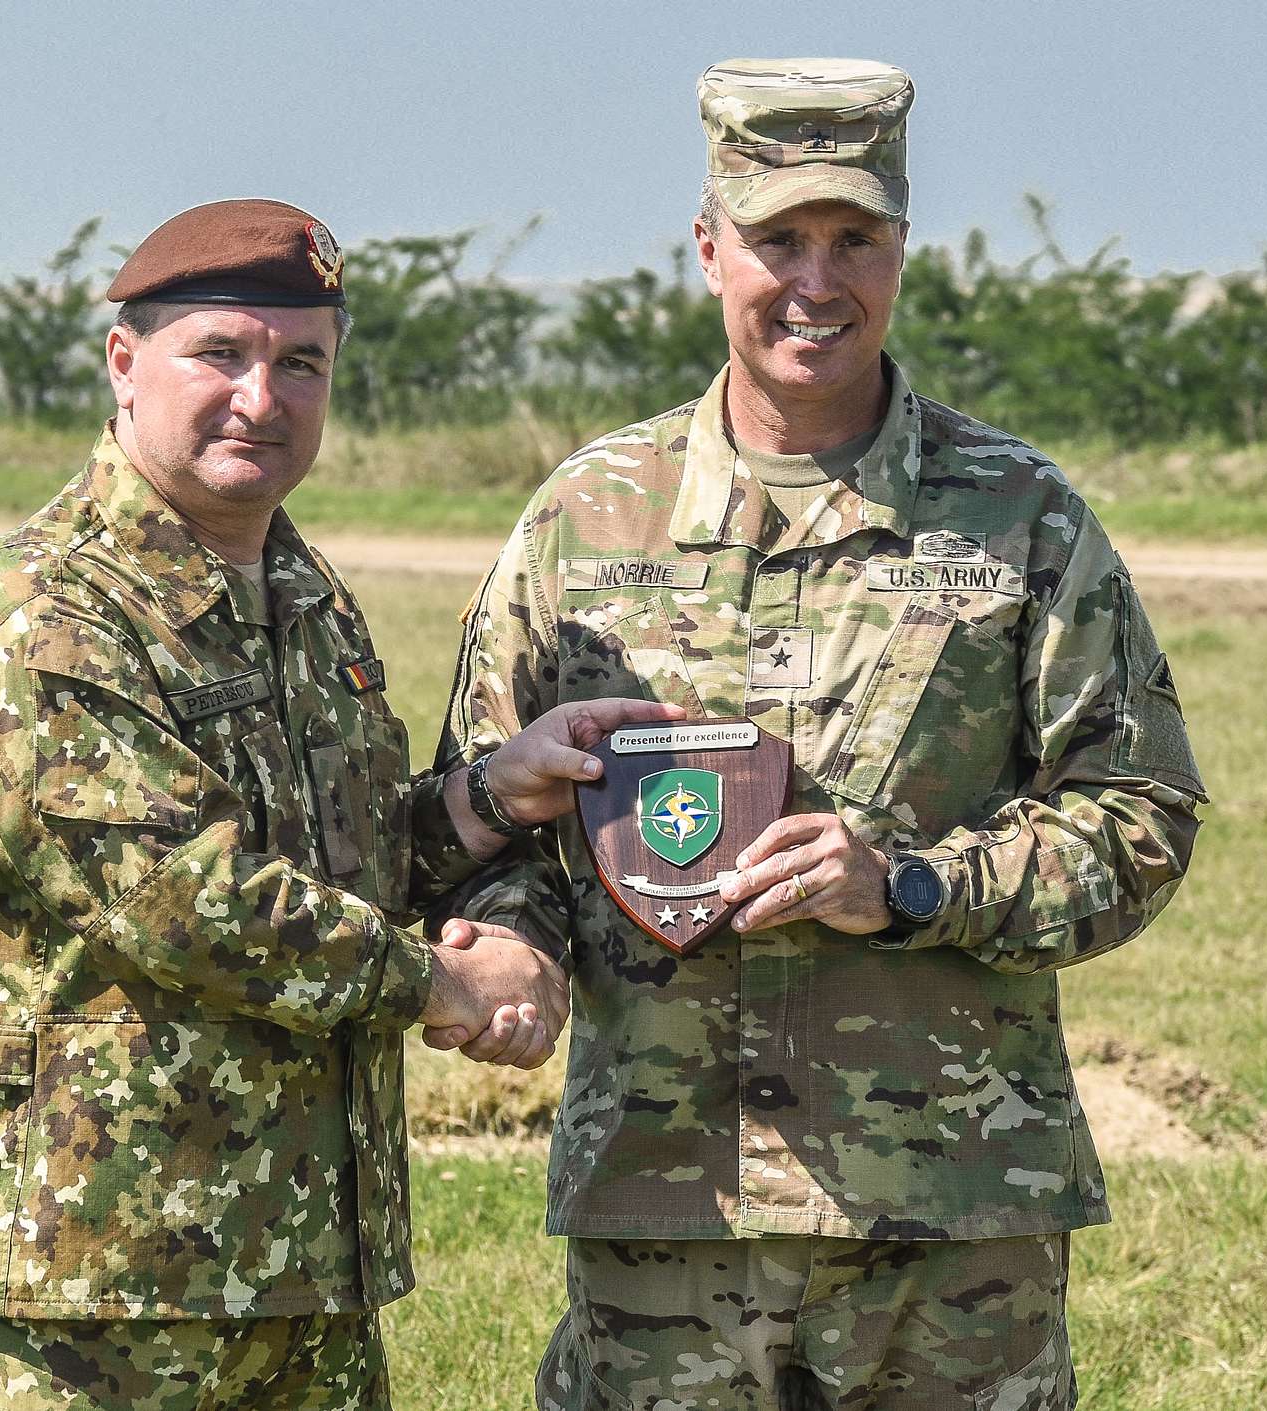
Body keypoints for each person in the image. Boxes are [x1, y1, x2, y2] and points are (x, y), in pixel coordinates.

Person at [430, 60, 1207, 1410]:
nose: (816, 280)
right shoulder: (589, 516)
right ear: (707, 246)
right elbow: (485, 798)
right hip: (667, 1207)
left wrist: (906, 884)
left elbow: (1138, 814)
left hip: (951, 1219)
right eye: (778, 238)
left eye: (855, 239)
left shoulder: (1018, 516)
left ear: (903, 248)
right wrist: (514, 933)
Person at [0, 197, 677, 1410]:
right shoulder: (44, 612)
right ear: (124, 361)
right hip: (98, 1279)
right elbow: (176, 898)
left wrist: (489, 793)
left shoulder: (302, 593)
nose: (262, 397)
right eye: (220, 352)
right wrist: (445, 983)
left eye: (300, 362)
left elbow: (341, 855)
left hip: (299, 1263)